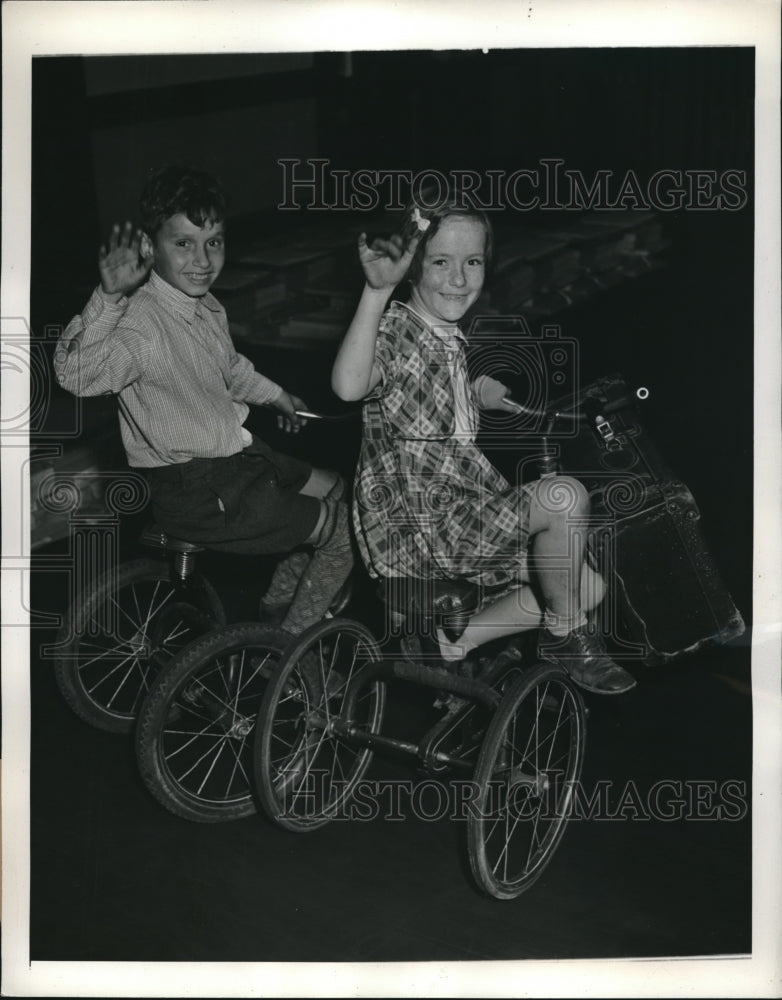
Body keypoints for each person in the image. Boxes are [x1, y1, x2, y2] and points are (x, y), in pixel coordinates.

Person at [331, 192, 635, 695]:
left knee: (587, 586)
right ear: (410, 268)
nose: (459, 278)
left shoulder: (446, 336)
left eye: (472, 262)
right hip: (423, 522)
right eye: (441, 262)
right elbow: (349, 385)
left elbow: (421, 399)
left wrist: (473, 396)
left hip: (457, 514)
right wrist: (373, 293)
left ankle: (456, 643)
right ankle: (564, 637)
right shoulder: (398, 327)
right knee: (564, 499)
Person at [54, 164, 352, 636]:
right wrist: (108, 298)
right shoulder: (140, 323)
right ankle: (290, 650)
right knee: (344, 532)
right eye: (183, 243)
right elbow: (77, 375)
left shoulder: (208, 307)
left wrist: (277, 395)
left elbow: (230, 369)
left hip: (238, 463)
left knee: (337, 487)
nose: (203, 259)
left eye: (213, 242)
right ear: (150, 248)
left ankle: (280, 604)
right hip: (201, 490)